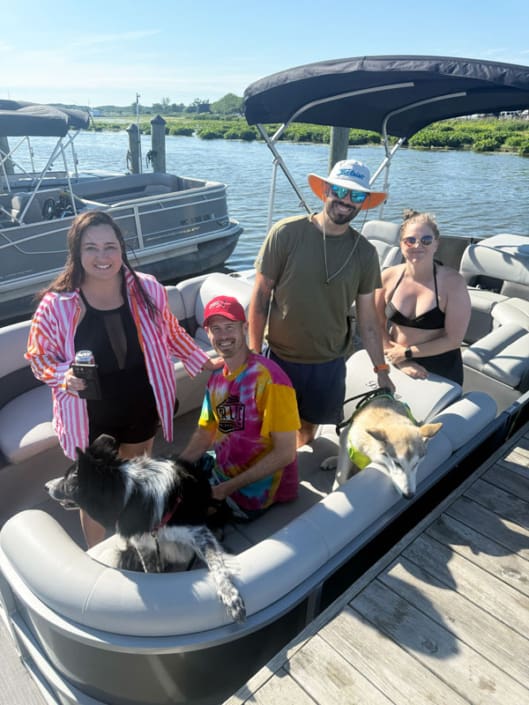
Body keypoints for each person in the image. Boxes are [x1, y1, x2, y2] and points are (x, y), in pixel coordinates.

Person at [25, 210, 221, 547]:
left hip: (141, 399)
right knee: (93, 489)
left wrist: (202, 360)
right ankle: (97, 552)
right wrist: (63, 375)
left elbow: (171, 332)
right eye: (91, 248)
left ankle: (133, 543)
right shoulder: (56, 305)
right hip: (89, 411)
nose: (102, 257)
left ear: (121, 249)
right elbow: (37, 356)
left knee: (134, 477)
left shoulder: (147, 289)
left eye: (109, 246)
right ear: (77, 252)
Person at [248, 158, 394, 448]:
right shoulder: (285, 233)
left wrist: (381, 370)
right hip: (279, 358)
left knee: (306, 433)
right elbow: (261, 296)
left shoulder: (365, 254)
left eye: (357, 195)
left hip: (328, 364)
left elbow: (368, 320)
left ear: (364, 202)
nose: (346, 201)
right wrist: (253, 355)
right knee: (269, 430)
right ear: (325, 189)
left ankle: (296, 473)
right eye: (340, 190)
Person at [179, 295, 300, 520]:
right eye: (216, 329)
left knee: (180, 516)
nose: (223, 336)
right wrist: (176, 467)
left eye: (229, 327)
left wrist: (225, 490)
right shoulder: (217, 377)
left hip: (257, 492)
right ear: (208, 334)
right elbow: (206, 431)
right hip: (222, 472)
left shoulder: (271, 380)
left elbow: (285, 453)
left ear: (244, 327)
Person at [375, 210, 471, 385]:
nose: (417, 245)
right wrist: (398, 358)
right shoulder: (387, 277)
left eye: (426, 240)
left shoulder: (453, 283)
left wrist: (407, 353)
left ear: (436, 244)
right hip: (394, 358)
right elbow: (375, 324)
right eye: (410, 240)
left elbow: (453, 340)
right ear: (401, 244)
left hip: (439, 370)